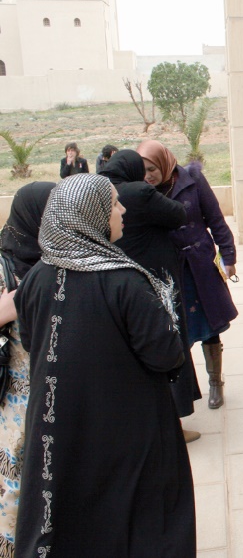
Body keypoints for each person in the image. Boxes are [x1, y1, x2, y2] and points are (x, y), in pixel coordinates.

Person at [13, 174, 193, 556]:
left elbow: (32, 343)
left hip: (60, 430)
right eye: (113, 204)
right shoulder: (125, 283)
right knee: (140, 523)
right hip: (130, 433)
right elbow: (165, 355)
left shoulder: (35, 280)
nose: (122, 210)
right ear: (88, 215)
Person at [100, 149, 200, 441]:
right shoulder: (139, 192)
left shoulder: (98, 188)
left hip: (118, 281)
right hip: (156, 280)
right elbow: (178, 214)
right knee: (168, 344)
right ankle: (173, 425)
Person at [139, 139, 238, 411]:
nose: (148, 176)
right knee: (179, 327)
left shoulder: (192, 179)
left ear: (164, 163)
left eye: (152, 169)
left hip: (200, 264)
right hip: (169, 268)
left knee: (209, 324)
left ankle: (215, 382)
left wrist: (228, 256)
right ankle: (181, 390)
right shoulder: (142, 192)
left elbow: (215, 219)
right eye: (142, 170)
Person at [0, 182, 55, 555]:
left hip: (54, 392)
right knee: (17, 486)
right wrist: (27, 292)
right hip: (16, 402)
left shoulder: (57, 262)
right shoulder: (6, 267)